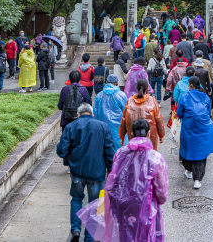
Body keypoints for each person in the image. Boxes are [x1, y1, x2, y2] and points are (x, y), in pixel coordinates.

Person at [96, 118, 168, 242]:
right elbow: (161, 190)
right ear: (148, 133)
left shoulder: (120, 153)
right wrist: (158, 200)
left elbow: (112, 180)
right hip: (146, 209)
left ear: (132, 134)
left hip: (121, 207)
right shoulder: (155, 157)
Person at [56, 103, 116, 242]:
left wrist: (71, 157)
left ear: (78, 114)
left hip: (77, 171)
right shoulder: (103, 127)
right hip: (97, 173)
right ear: (92, 113)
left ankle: (76, 229)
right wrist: (110, 169)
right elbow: (110, 151)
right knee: (94, 204)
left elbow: (61, 151)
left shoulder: (71, 126)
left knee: (77, 199)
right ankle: (89, 237)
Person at [177, 77, 213, 189]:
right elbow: (208, 112)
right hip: (203, 129)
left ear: (191, 85)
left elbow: (180, 114)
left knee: (187, 150)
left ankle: (188, 170)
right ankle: (197, 180)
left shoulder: (184, 97)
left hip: (188, 129)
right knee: (201, 153)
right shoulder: (205, 97)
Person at [121, 78, 165, 151]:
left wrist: (122, 136)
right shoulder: (152, 100)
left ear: (136, 87)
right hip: (150, 135)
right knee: (150, 156)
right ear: (147, 88)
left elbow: (123, 120)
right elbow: (159, 119)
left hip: (133, 135)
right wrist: (161, 135)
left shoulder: (130, 101)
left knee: (135, 155)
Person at [94, 75, 128, 150]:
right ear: (116, 83)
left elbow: (95, 113)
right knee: (119, 149)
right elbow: (126, 112)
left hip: (103, 126)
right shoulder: (121, 95)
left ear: (106, 82)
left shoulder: (99, 95)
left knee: (105, 148)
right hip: (118, 127)